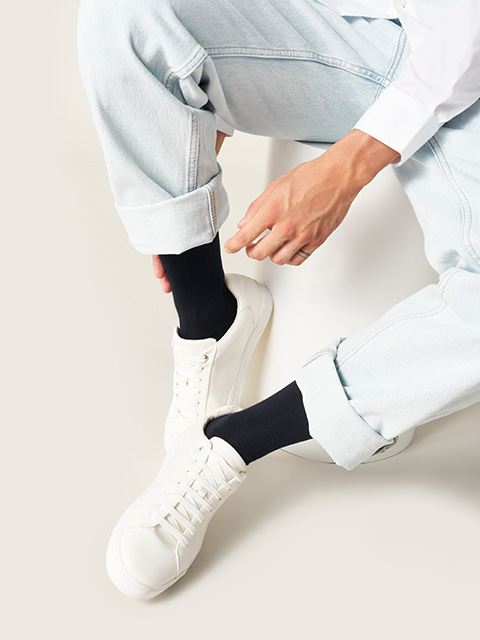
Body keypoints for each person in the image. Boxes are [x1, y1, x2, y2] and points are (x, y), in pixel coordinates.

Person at [77, 0, 480, 599]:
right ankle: (210, 321)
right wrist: (182, 143)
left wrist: (347, 166)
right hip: (356, 34)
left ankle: (230, 442)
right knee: (125, 16)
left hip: (471, 73)